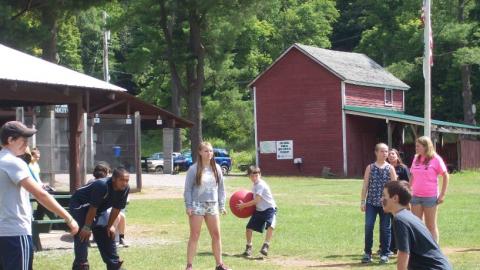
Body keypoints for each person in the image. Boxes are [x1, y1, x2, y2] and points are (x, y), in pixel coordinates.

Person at [0, 121, 79, 270]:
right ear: (10, 140)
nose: (26, 144)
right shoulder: (14, 162)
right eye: (23, 140)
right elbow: (40, 194)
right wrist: (68, 218)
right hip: (15, 232)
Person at [69, 167, 130, 270]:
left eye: (126, 180)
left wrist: (110, 226)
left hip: (97, 209)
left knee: (108, 232)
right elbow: (92, 208)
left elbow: (116, 209)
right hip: (80, 206)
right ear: (114, 179)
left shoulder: (125, 189)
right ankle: (81, 265)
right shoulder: (102, 185)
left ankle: (114, 265)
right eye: (122, 180)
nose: (124, 183)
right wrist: (87, 227)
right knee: (83, 234)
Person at [382, 181, 452, 269]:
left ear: (395, 198)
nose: (381, 199)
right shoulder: (407, 215)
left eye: (384, 195)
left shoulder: (400, 219)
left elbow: (403, 253)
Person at [183, 142, 230, 270]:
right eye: (206, 151)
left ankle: (219, 264)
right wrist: (188, 206)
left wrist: (222, 205)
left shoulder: (217, 168)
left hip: (212, 205)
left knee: (216, 235)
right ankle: (189, 266)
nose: (209, 153)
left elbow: (221, 189)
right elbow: (187, 190)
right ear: (200, 152)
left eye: (210, 151)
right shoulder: (193, 169)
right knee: (195, 235)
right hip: (197, 205)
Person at [360, 143, 397, 264]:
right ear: (376, 152)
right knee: (369, 226)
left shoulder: (390, 168)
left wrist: (391, 202)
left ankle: (384, 254)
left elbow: (394, 186)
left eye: (386, 151)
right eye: (382, 151)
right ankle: (367, 253)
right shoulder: (370, 167)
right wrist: (362, 201)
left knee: (385, 228)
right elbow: (365, 185)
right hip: (371, 203)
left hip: (386, 205)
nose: (385, 153)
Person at [410, 136, 449, 243]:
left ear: (426, 146)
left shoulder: (436, 159)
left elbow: (445, 175)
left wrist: (442, 194)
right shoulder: (416, 158)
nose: (416, 148)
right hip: (416, 196)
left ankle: (434, 250)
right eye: (416, 146)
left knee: (430, 225)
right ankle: (419, 250)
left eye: (418, 146)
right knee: (416, 224)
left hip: (430, 197)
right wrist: (409, 189)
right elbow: (412, 175)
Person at [237, 165, 277, 257]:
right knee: (248, 228)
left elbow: (256, 200)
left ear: (260, 175)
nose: (254, 178)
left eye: (256, 176)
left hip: (269, 209)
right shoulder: (255, 185)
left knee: (271, 226)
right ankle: (249, 248)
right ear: (249, 176)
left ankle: (266, 245)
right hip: (259, 210)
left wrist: (244, 205)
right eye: (252, 176)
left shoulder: (261, 185)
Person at [88, 162, 129, 248]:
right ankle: (107, 237)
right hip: (95, 209)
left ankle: (121, 238)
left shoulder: (115, 184)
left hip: (104, 208)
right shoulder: (101, 184)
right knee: (117, 216)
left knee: (121, 215)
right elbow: (93, 206)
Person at [387, 148, 410, 254]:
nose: (391, 156)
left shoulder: (403, 168)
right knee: (387, 223)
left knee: (398, 222)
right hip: (388, 198)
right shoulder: (386, 167)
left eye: (393, 154)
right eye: (389, 154)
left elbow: (408, 183)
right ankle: (387, 246)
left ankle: (398, 246)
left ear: (397, 156)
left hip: (400, 198)